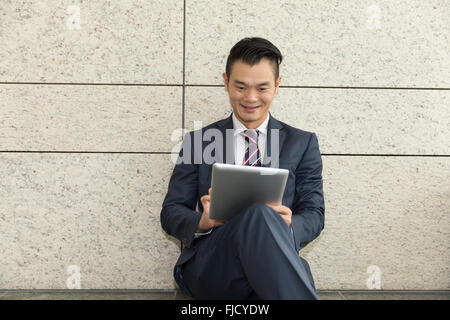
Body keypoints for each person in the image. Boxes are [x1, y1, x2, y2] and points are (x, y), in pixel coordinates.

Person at [160, 37, 325, 300]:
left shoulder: (302, 143)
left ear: (277, 85)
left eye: (262, 88)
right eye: (240, 87)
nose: (250, 98)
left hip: (273, 263)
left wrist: (288, 224)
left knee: (262, 217)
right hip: (214, 265)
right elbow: (170, 213)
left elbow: (315, 214)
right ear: (226, 82)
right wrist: (202, 221)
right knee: (259, 215)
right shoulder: (197, 142)